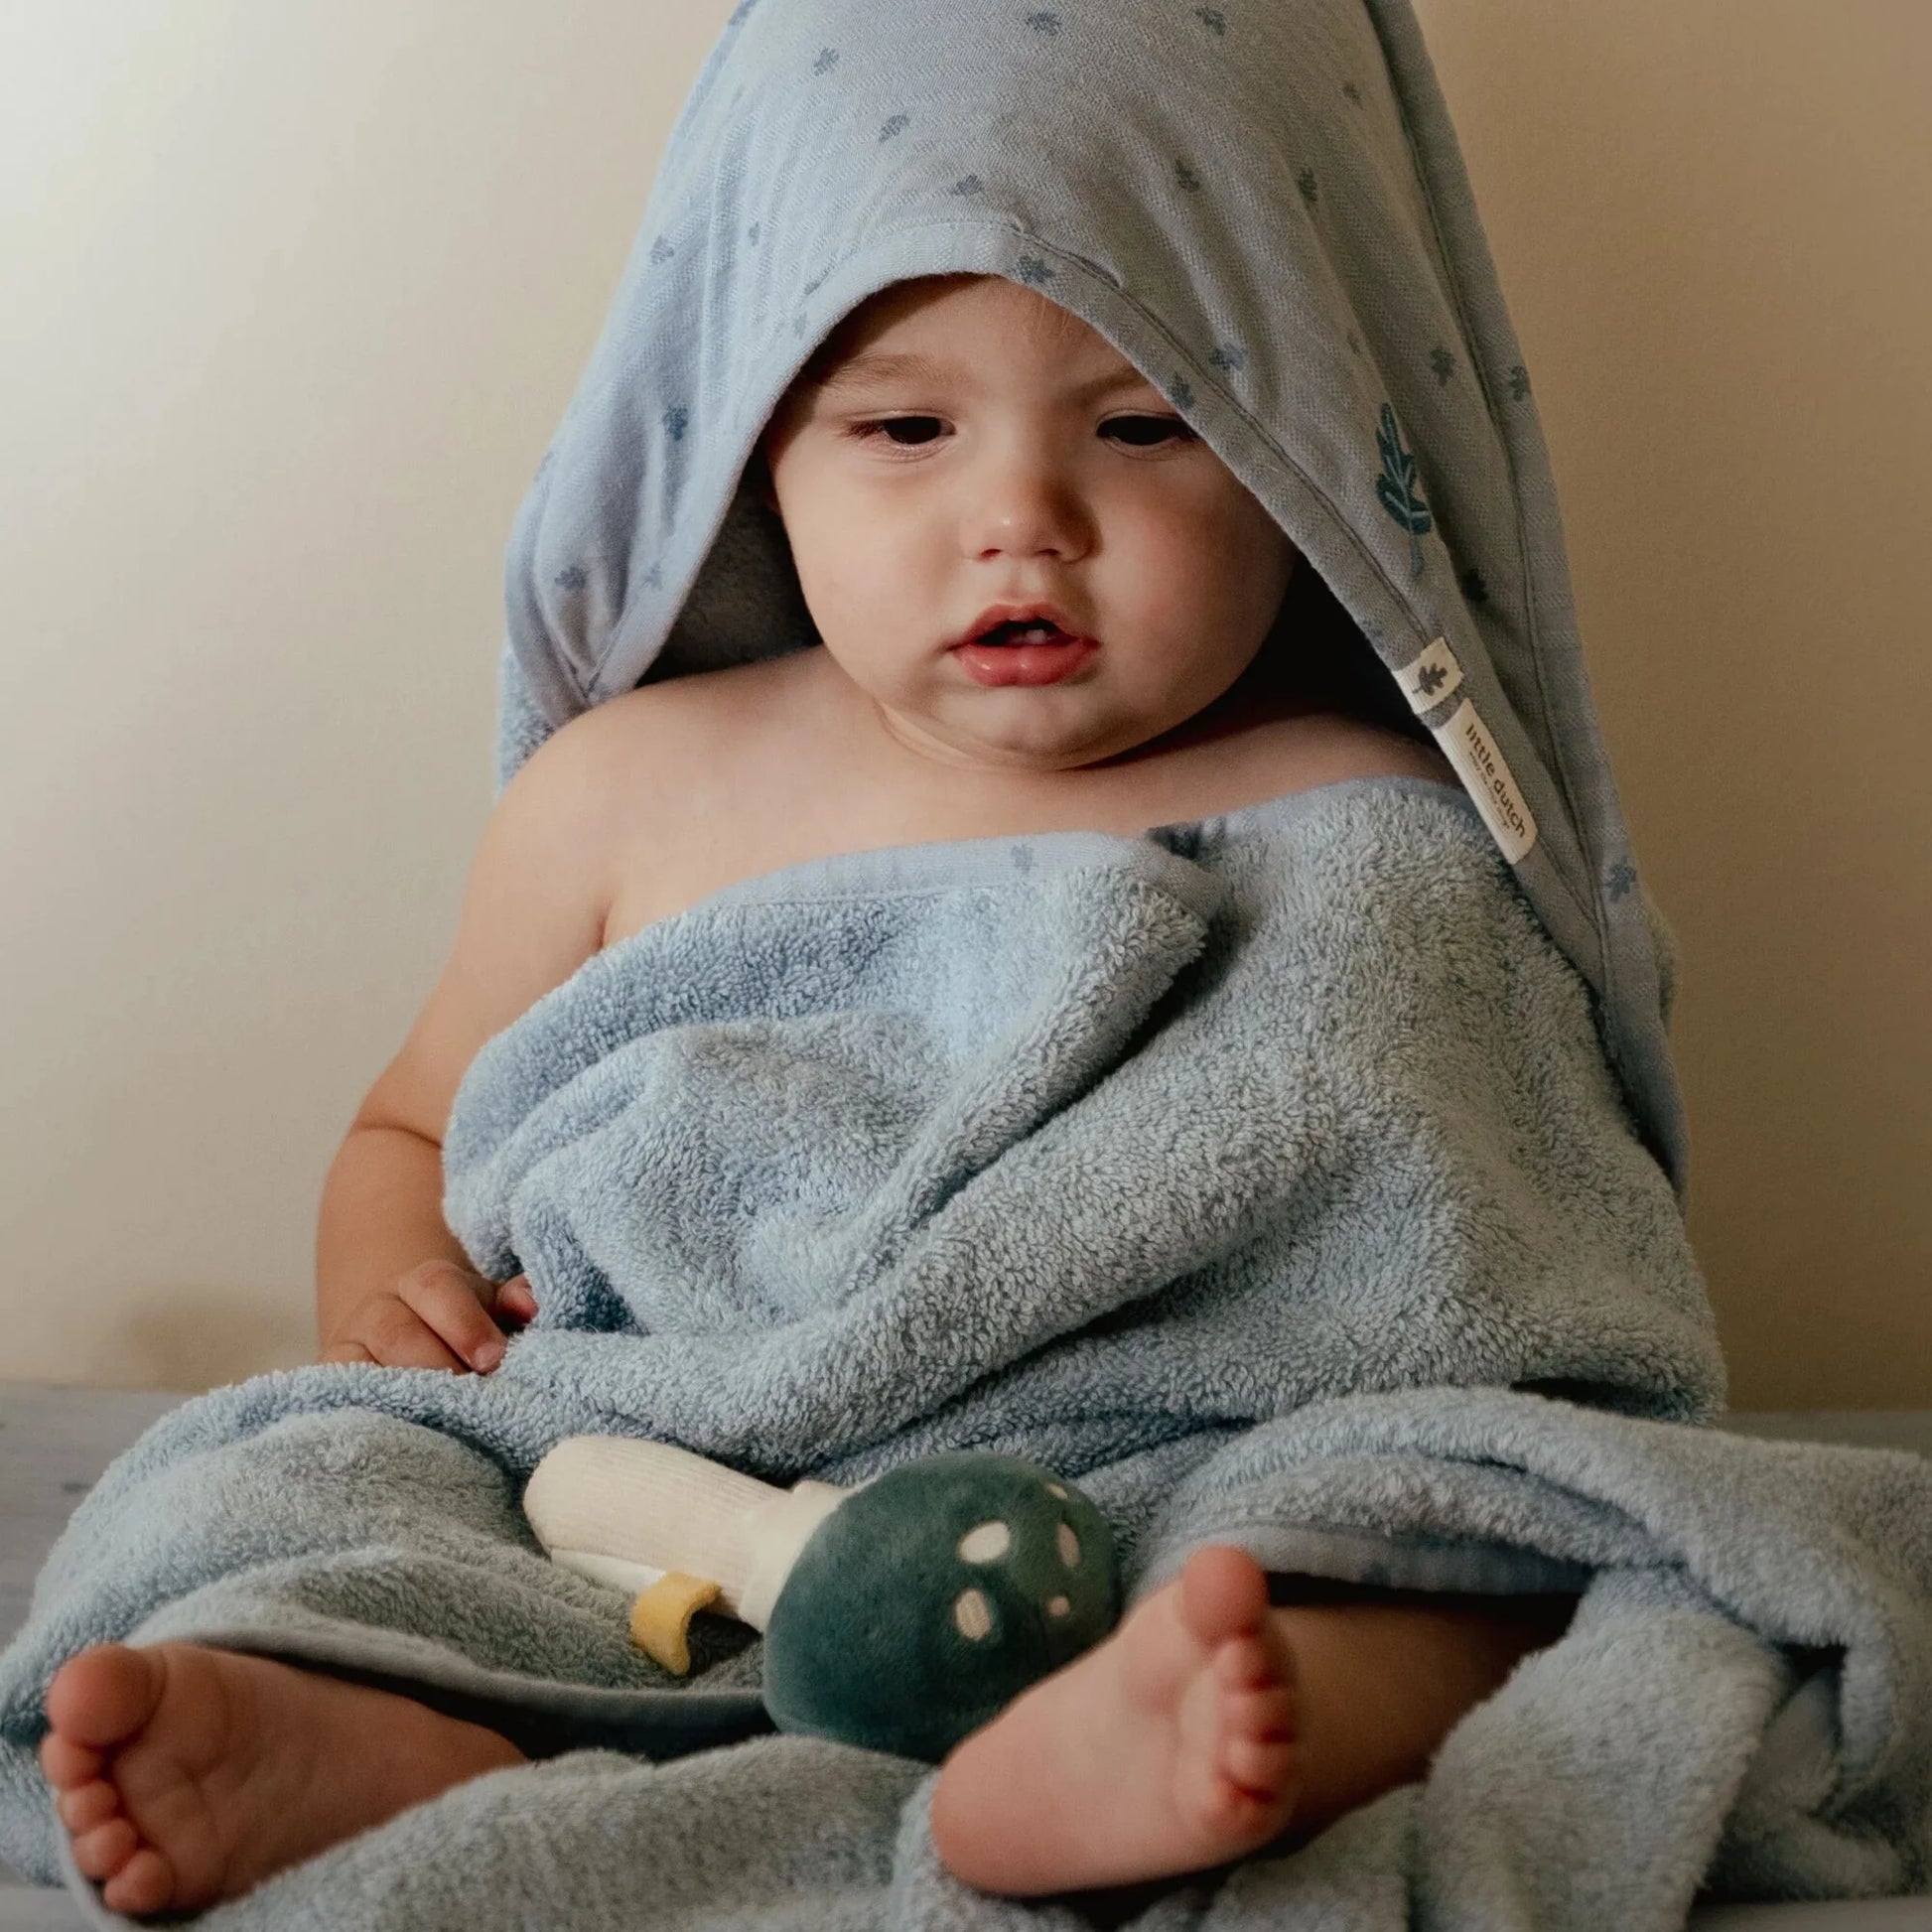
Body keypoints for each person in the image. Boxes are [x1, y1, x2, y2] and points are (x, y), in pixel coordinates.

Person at [35, 266, 1577, 1918]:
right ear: (760, 458)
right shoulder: (626, 788)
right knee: (277, 1482)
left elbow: (1467, 1253)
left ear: (1293, 464)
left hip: (1146, 1486)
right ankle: (391, 1721)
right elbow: (410, 1123)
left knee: (1477, 1530)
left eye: (1144, 425)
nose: (1023, 519)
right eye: (906, 427)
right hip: (641, 1476)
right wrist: (393, 1293)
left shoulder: (1370, 815)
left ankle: (1202, 1728)